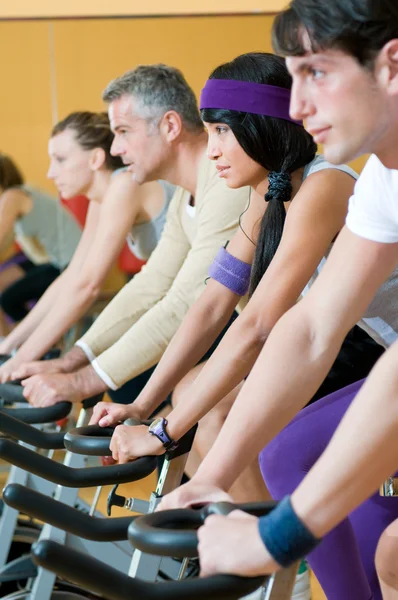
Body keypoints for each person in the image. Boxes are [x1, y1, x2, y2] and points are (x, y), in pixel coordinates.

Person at [164, 1, 398, 598]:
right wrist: (208, 477)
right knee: (289, 452)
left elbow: (266, 322)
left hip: (375, 352)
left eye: (315, 73)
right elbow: (311, 327)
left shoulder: (331, 183)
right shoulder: (380, 182)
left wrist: (277, 536)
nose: (296, 107)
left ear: (391, 66)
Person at [14, 64, 250, 408]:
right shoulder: (186, 193)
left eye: (123, 131)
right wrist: (71, 361)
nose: (115, 149)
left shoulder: (226, 183)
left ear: (170, 126)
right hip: (257, 330)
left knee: (199, 406)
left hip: (324, 340)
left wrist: (82, 379)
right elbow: (151, 284)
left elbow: (185, 301)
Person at [0, 111, 173, 378]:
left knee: (119, 383)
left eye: (60, 159)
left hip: (208, 301)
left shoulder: (125, 184)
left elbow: (88, 286)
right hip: (177, 300)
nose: (49, 172)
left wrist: (20, 359)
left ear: (95, 158)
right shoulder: (99, 197)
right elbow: (72, 274)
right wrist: (10, 347)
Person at [0, 153, 81, 336]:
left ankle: (25, 342)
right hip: (50, 260)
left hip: (68, 263)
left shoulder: (13, 196)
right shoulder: (20, 194)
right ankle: (9, 342)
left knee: (8, 300)